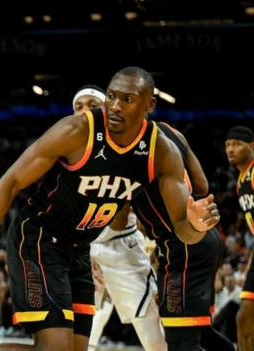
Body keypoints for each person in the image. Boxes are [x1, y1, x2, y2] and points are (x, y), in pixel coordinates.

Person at [0, 66, 219, 351]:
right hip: (40, 240)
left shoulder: (161, 151)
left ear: (149, 105)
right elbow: (9, 183)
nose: (116, 106)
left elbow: (184, 231)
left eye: (127, 99)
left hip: (80, 248)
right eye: (111, 97)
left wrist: (195, 225)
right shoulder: (77, 130)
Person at [69, 86, 167, 351]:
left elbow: (130, 211)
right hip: (83, 248)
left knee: (152, 332)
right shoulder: (64, 148)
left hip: (121, 246)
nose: (84, 111)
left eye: (91, 104)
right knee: (83, 332)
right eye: (78, 106)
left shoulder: (127, 142)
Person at [130, 121, 234, 351]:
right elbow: (202, 184)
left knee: (180, 342)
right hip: (205, 237)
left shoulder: (128, 147)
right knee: (201, 333)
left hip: (183, 244)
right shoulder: (170, 131)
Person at [226, 126, 254, 351]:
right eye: (227, 145)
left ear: (251, 147)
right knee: (244, 316)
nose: (230, 149)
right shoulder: (240, 181)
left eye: (236, 144)